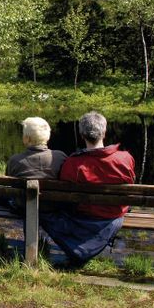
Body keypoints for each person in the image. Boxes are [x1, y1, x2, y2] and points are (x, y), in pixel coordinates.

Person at [40, 111, 135, 264]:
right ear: (104, 133)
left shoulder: (73, 163)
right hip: (114, 215)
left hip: (83, 216)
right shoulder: (125, 158)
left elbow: (66, 198)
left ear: (82, 135)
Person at [0, 117, 67, 213]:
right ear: (48, 137)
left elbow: (9, 184)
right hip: (53, 207)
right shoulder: (60, 157)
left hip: (23, 207)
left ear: (27, 139)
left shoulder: (15, 160)